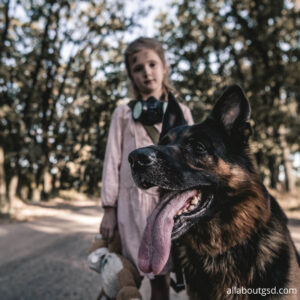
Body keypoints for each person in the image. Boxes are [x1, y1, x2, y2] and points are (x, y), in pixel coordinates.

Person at [99, 37, 193, 300]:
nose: (147, 72)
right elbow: (112, 161)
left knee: (160, 281)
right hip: (131, 209)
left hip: (167, 206)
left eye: (152, 64)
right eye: (138, 68)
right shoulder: (123, 114)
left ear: (164, 66)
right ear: (131, 75)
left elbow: (191, 160)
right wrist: (109, 209)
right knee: (125, 277)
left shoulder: (182, 111)